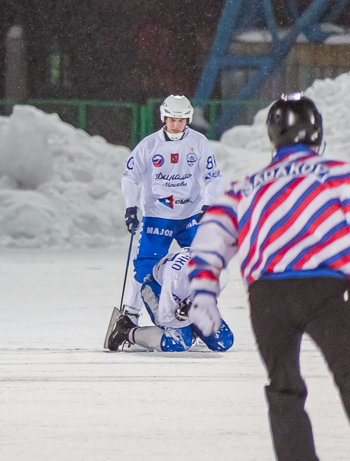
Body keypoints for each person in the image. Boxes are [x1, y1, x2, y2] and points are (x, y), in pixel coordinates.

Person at [185, 94, 350, 460]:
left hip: (267, 297)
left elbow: (212, 237)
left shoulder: (246, 185)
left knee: (283, 389)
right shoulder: (337, 174)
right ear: (317, 132)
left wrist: (204, 292)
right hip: (324, 289)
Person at [115, 94, 222, 332]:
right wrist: (130, 207)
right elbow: (129, 176)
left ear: (188, 120)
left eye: (181, 120)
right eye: (172, 119)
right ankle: (130, 315)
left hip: (190, 216)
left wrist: (208, 204)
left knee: (202, 263)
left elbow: (214, 177)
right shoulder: (149, 145)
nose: (176, 125)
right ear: (164, 118)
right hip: (158, 217)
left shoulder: (199, 142)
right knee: (145, 268)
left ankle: (196, 309)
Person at [105, 248, 233, 353]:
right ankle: (126, 331)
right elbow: (166, 316)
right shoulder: (175, 278)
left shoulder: (220, 272)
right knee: (178, 342)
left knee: (223, 340)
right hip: (157, 289)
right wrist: (185, 316)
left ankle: (189, 329)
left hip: (182, 293)